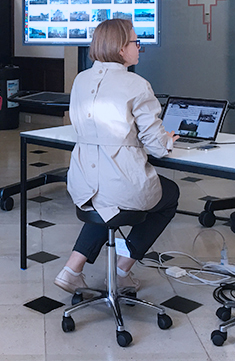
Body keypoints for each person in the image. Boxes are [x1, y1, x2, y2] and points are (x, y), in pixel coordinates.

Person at [54, 19, 180, 294]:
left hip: (82, 181)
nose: (139, 48)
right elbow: (157, 146)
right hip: (119, 185)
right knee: (169, 194)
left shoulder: (81, 79)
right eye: (136, 42)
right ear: (121, 48)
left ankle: (71, 269)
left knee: (106, 202)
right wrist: (168, 141)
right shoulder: (137, 84)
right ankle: (122, 270)